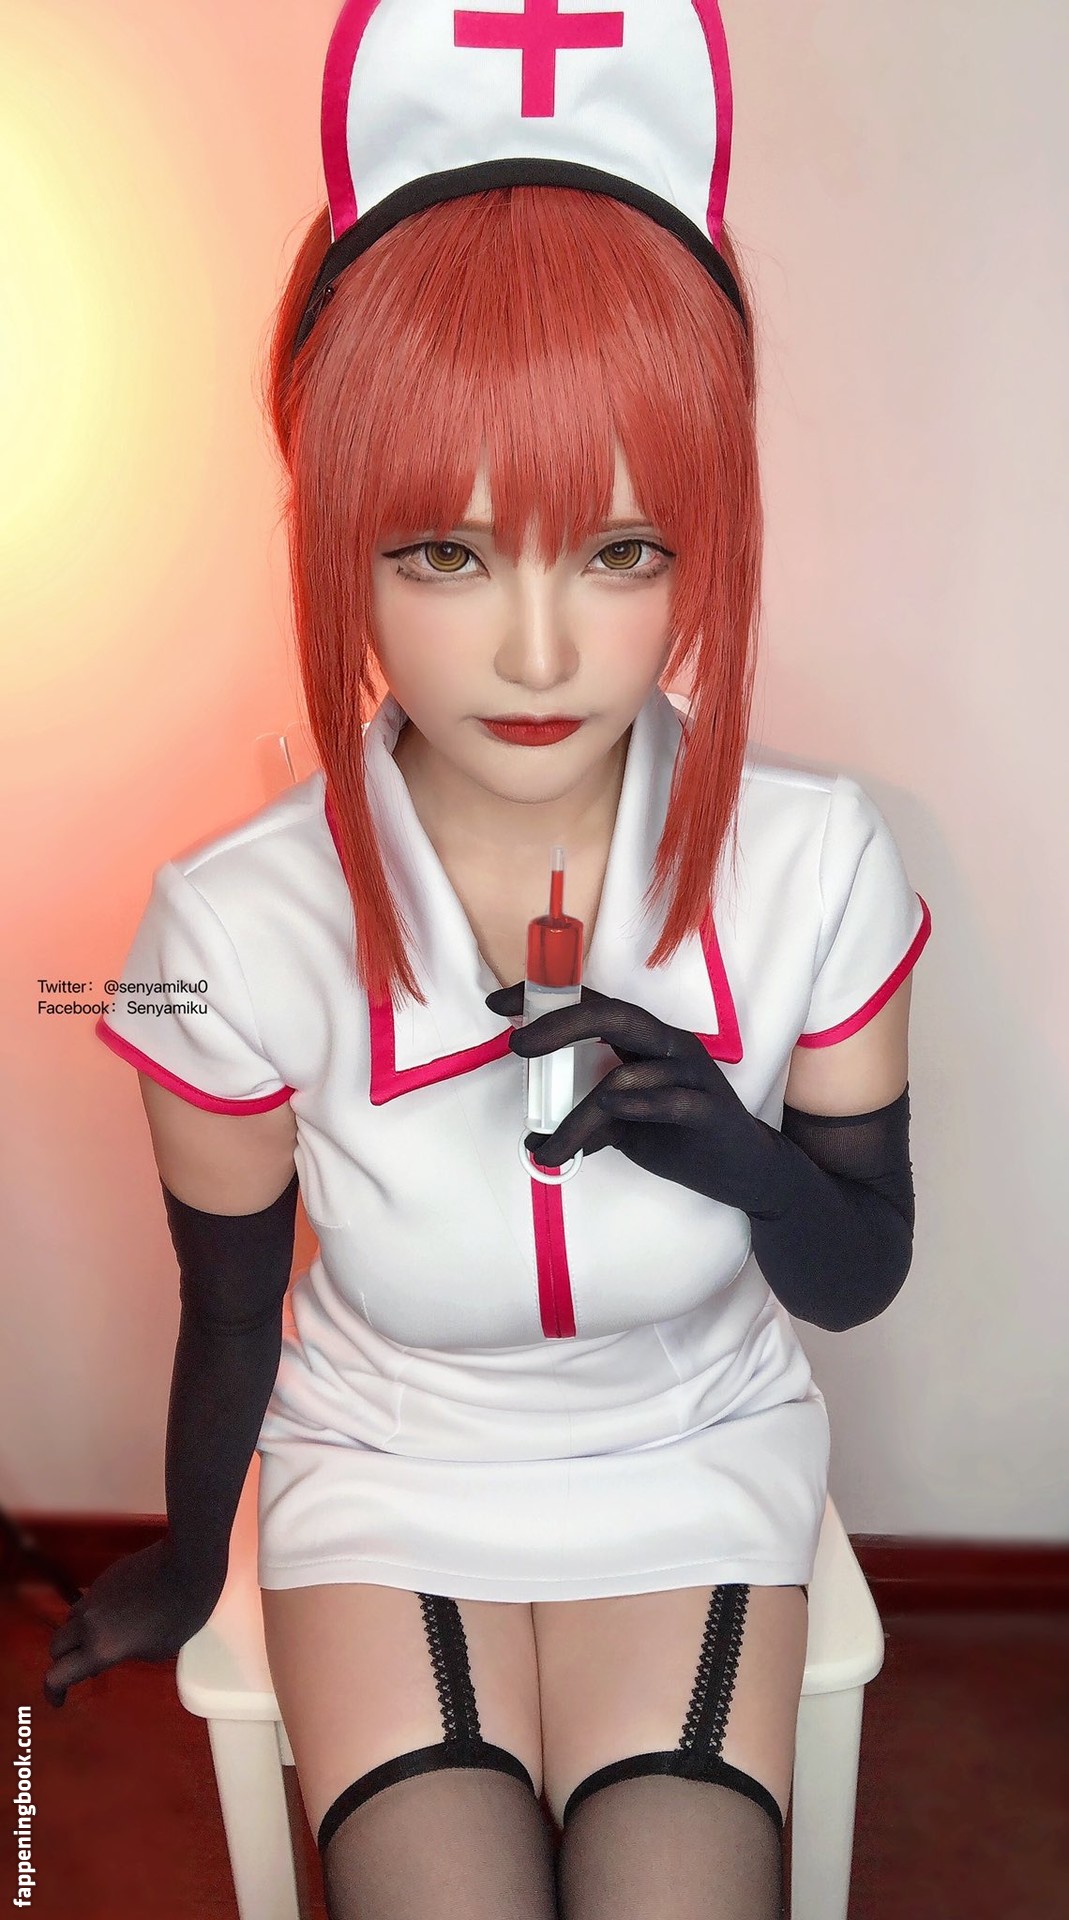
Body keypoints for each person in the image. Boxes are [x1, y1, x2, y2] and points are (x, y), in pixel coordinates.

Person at [44, 5, 932, 1916]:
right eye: (443, 554)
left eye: (620, 550)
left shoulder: (814, 862)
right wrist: (189, 1564)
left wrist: (734, 1150)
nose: (538, 656)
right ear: (330, 537)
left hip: (696, 1448)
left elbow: (855, 1271)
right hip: (383, 1471)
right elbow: (228, 1308)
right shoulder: (227, 925)